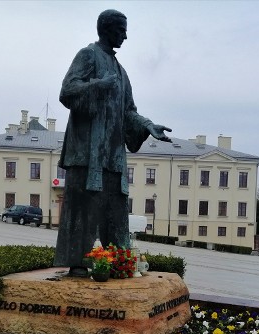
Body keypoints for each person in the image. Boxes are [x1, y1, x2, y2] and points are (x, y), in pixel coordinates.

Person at [54, 9, 172, 277]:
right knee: (83, 209)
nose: (126, 36)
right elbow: (67, 91)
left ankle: (119, 262)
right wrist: (98, 85)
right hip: (86, 153)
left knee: (115, 212)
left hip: (113, 156)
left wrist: (147, 125)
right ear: (106, 29)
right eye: (121, 30)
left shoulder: (121, 72)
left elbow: (129, 111)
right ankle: (77, 264)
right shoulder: (87, 55)